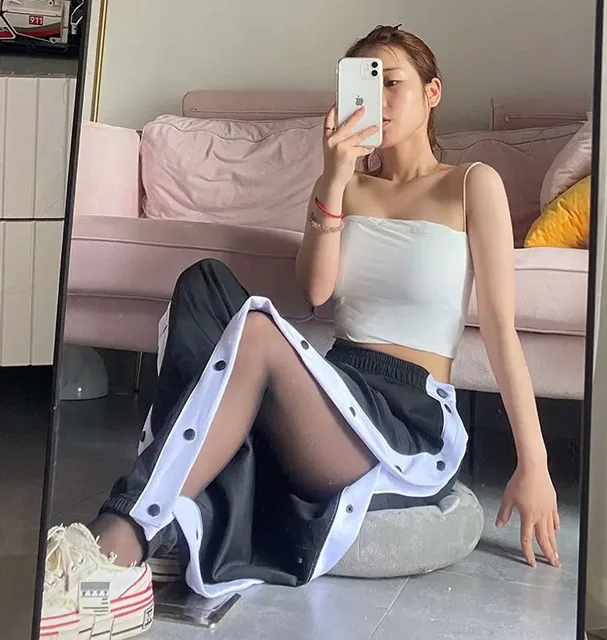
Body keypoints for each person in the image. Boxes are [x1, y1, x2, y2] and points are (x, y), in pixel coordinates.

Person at [39, 24, 560, 640]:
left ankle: (120, 542)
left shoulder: (471, 184)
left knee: (260, 331)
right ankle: (167, 516)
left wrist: (534, 463)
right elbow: (316, 291)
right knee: (204, 282)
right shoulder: (347, 186)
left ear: (432, 92)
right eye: (364, 85)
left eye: (392, 84)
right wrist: (333, 176)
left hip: (407, 414)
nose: (379, 100)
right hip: (339, 382)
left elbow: (500, 330)